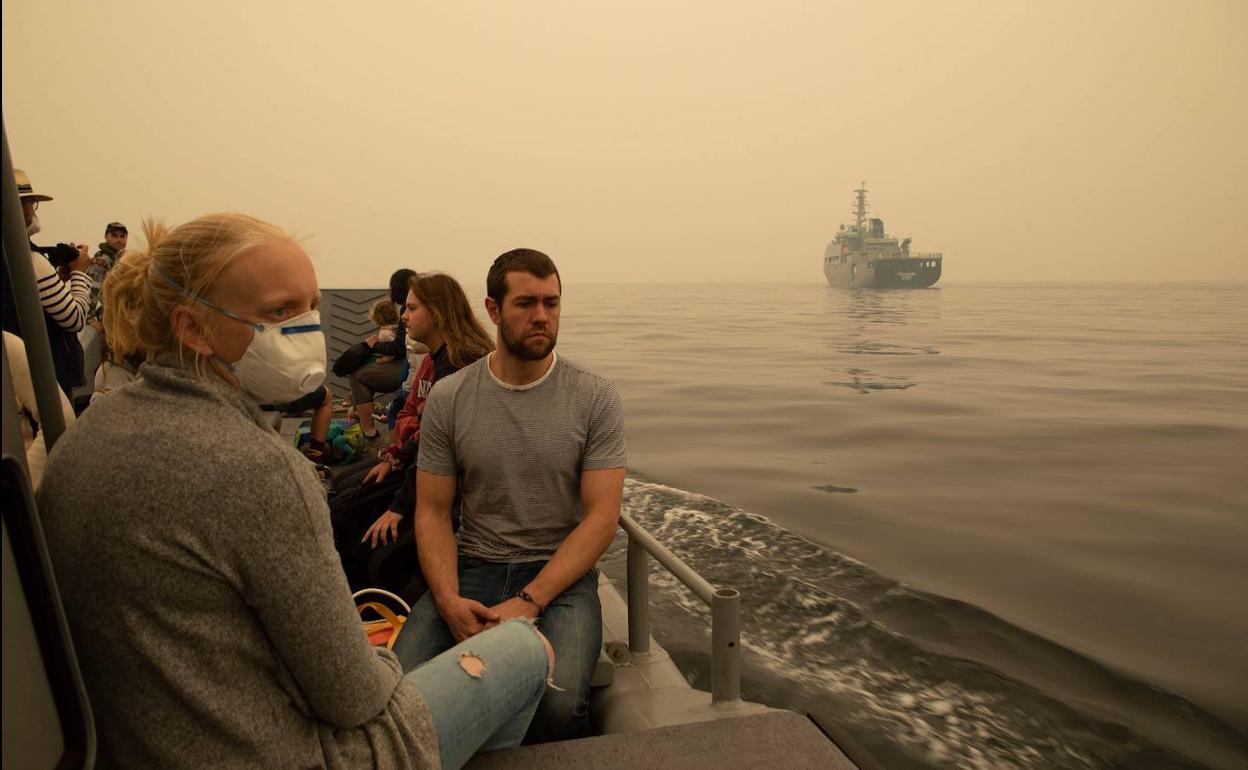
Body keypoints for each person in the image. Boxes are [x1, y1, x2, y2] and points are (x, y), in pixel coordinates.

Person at [37, 214, 554, 770]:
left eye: (310, 307)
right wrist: (384, 666)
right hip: (280, 752)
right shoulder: (258, 469)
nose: (308, 328)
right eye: (280, 312)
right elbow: (354, 697)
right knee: (524, 647)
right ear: (193, 328)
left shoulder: (90, 431)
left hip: (153, 736)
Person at [392, 248, 627, 743]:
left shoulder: (595, 398)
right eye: (526, 303)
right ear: (493, 310)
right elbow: (432, 512)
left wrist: (529, 601)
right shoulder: (451, 397)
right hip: (474, 565)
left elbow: (602, 517)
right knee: (400, 695)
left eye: (551, 303)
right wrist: (448, 599)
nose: (542, 315)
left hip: (559, 577)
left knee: (558, 705)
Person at [330, 272, 494, 598]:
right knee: (344, 497)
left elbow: (438, 448)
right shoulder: (438, 359)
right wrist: (395, 457)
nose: (404, 316)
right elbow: (427, 434)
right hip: (430, 471)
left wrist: (398, 507)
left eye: (412, 308)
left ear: (438, 312)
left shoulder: (458, 365)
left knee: (355, 528)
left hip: (458, 490)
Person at [1, 169, 92, 396]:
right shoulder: (31, 260)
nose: (31, 211)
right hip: (49, 381)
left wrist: (58, 279)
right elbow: (75, 318)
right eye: (27, 203)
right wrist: (79, 273)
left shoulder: (10, 257)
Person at [349, 268, 416, 440]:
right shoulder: (415, 308)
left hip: (408, 369)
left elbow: (399, 348)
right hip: (410, 366)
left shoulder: (405, 311)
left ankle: (368, 432)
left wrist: (375, 345)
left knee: (358, 376)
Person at [87, 221, 128, 328]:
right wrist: (89, 319)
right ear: (106, 237)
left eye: (122, 236)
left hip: (121, 315)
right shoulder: (103, 260)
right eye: (114, 236)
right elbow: (92, 288)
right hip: (109, 318)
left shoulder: (124, 260)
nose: (119, 240)